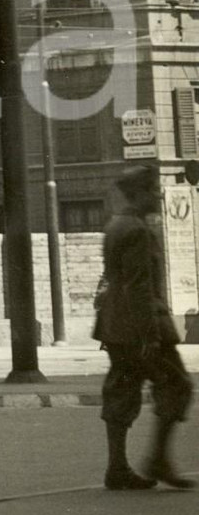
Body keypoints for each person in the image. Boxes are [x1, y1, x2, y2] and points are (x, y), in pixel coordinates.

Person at [93, 164, 194, 490]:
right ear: (137, 194)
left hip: (115, 324)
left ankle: (117, 467)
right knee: (177, 383)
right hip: (142, 325)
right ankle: (158, 460)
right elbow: (138, 286)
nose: (158, 195)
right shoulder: (137, 230)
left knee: (122, 387)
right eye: (152, 190)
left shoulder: (115, 226)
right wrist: (149, 336)